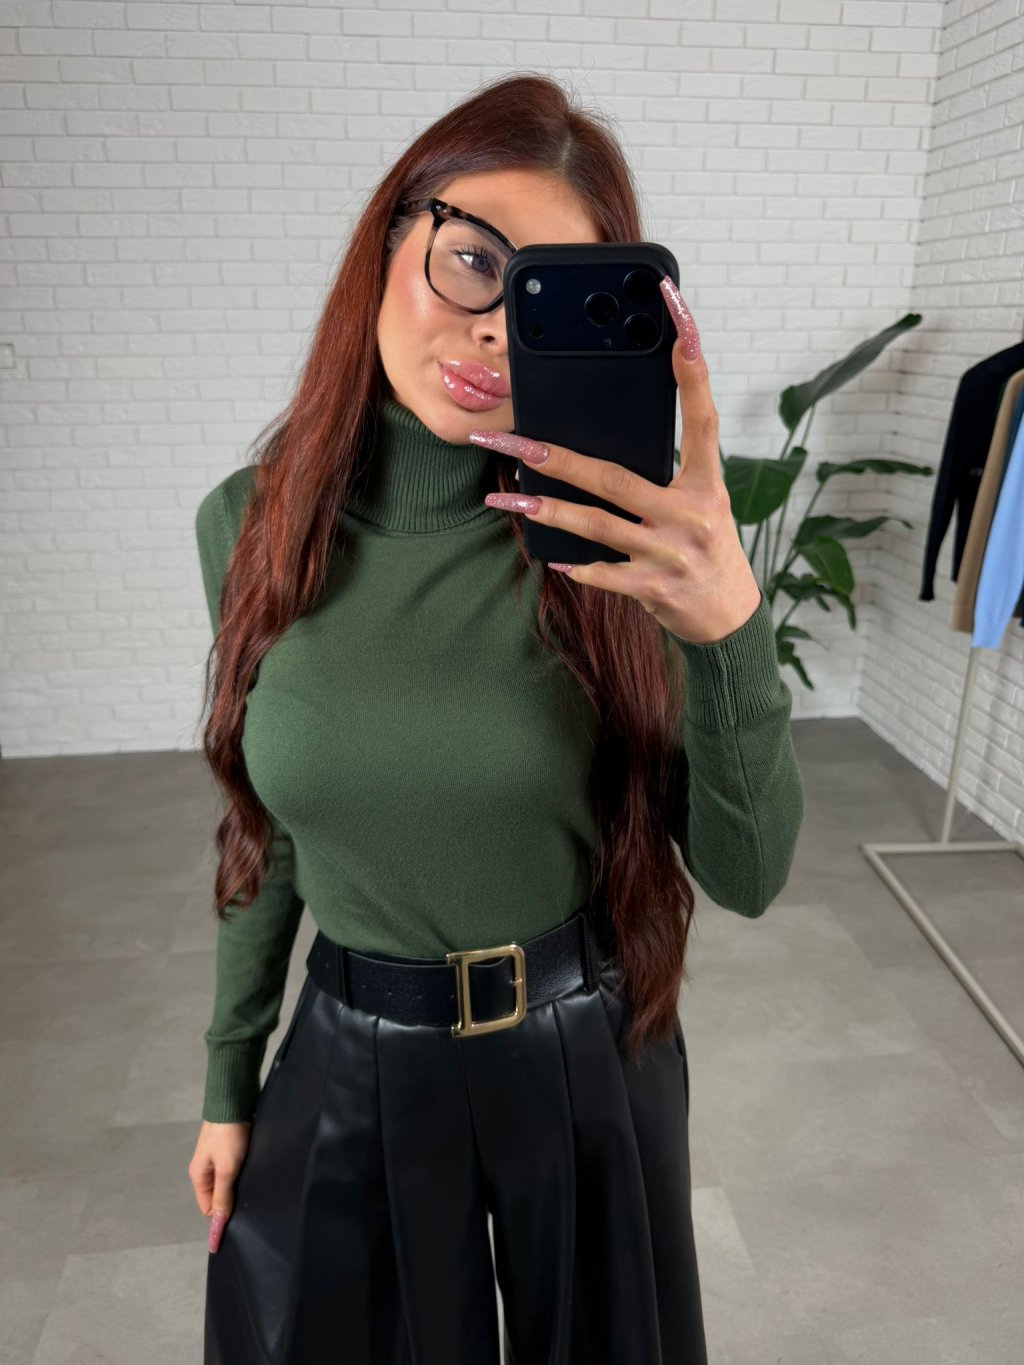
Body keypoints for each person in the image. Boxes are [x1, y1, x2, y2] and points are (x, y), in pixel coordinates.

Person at [187, 72, 804, 1365]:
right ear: (388, 239)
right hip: (350, 1058)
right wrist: (227, 1082)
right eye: (473, 260)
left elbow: (748, 876)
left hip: (583, 1058)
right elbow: (272, 825)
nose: (492, 333)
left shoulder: (625, 544)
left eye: (546, 299)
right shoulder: (251, 527)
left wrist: (727, 624)